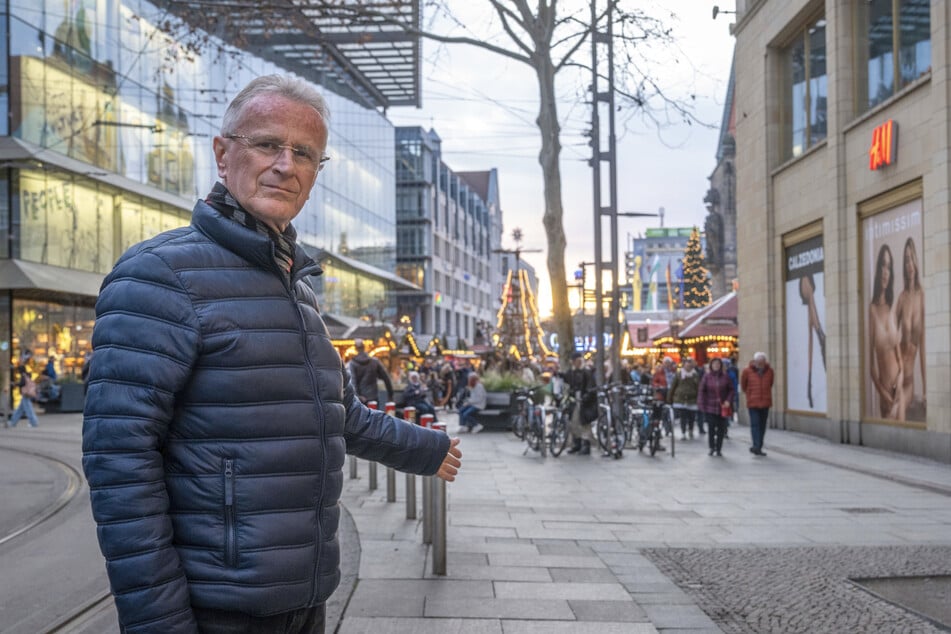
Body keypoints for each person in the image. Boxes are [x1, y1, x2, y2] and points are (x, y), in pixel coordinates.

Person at [81, 75, 462, 634]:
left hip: (303, 594)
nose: (286, 164)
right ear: (222, 153)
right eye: (267, 144)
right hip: (220, 605)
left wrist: (425, 449)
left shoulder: (296, 287)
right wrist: (157, 621)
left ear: (315, 174)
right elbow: (119, 464)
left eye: (304, 152)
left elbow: (339, 414)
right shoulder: (160, 274)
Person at [868, 243, 903, 420]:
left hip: (899, 390)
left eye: (888, 267)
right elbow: (871, 366)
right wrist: (884, 394)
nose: (885, 272)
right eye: (882, 264)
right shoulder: (872, 310)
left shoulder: (892, 307)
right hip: (886, 397)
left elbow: (899, 356)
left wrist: (901, 376)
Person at [895, 237, 926, 421]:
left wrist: (927, 391)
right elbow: (891, 336)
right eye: (906, 260)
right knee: (893, 414)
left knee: (897, 413)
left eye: (912, 258)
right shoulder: (901, 297)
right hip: (895, 373)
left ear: (916, 260)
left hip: (908, 380)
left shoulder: (922, 297)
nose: (909, 264)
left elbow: (922, 349)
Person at [799, 273, 827, 408]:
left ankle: (808, 385)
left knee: (810, 331)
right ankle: (820, 333)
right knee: (811, 301)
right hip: (806, 279)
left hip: (807, 279)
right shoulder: (805, 281)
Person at [697, 357, 734, 457]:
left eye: (718, 364)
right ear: (711, 366)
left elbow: (731, 390)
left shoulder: (725, 377)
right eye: (714, 364)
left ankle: (719, 448)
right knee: (711, 428)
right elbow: (702, 391)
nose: (716, 366)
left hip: (722, 407)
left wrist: (728, 400)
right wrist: (701, 404)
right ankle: (712, 447)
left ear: (721, 366)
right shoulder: (707, 377)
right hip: (710, 406)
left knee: (721, 428)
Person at [562, 351, 597, 455]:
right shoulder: (572, 372)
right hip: (576, 400)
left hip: (584, 402)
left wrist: (586, 395)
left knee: (584, 423)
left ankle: (585, 445)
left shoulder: (586, 372)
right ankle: (577, 444)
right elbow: (567, 380)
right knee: (574, 422)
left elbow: (590, 386)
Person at [740, 352, 775, 456]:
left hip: (765, 402)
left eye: (762, 362)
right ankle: (756, 445)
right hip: (753, 403)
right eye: (759, 362)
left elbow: (771, 383)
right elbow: (743, 385)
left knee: (762, 425)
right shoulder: (747, 371)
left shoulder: (770, 371)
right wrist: (750, 395)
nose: (760, 364)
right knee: (755, 425)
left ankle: (759, 446)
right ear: (755, 362)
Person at [349, 338, 394, 406]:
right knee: (375, 415)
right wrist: (390, 395)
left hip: (361, 400)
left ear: (355, 348)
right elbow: (386, 378)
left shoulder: (353, 363)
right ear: (364, 347)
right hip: (373, 397)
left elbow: (353, 382)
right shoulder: (374, 362)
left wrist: (358, 396)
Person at [667, 358, 700, 440]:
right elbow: (673, 386)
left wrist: (699, 398)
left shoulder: (695, 375)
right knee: (683, 417)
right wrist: (669, 398)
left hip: (692, 399)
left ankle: (691, 430)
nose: (688, 366)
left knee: (691, 417)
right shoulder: (679, 374)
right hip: (681, 399)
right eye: (687, 364)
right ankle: (683, 432)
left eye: (690, 365)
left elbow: (698, 387)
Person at [8, 353, 39, 428]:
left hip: (25, 394)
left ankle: (33, 422)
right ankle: (13, 422)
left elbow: (22, 383)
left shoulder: (23, 376)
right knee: (20, 410)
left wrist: (14, 384)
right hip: (26, 395)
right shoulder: (27, 375)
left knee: (28, 410)